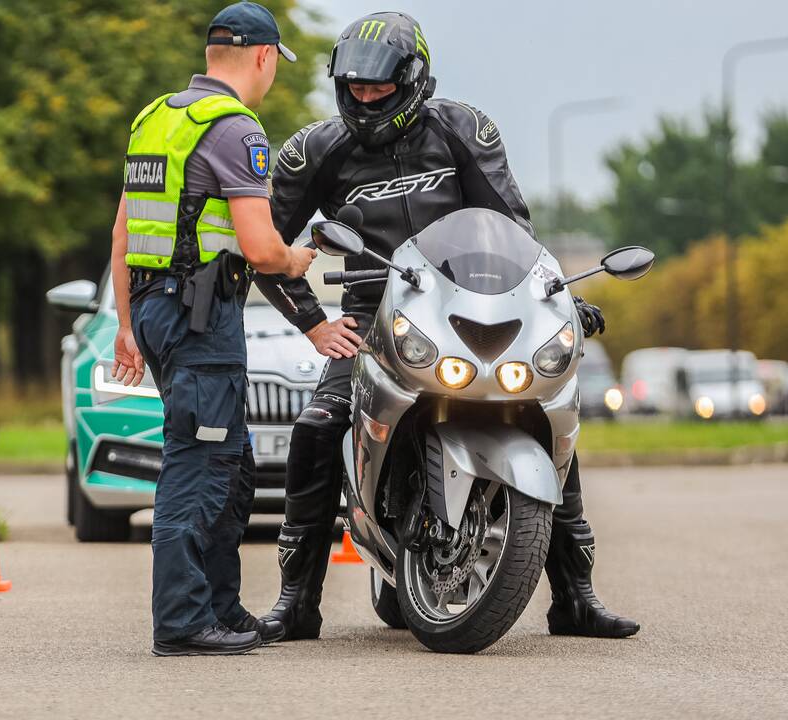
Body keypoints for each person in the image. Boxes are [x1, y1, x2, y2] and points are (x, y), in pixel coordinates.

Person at [254, 11, 640, 641]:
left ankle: (576, 597)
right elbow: (264, 245)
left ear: (413, 79)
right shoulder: (316, 150)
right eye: (354, 88)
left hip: (470, 310)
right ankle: (297, 602)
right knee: (318, 425)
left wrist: (556, 301)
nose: (366, 98)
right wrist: (313, 323)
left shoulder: (464, 130)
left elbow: (513, 228)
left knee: (549, 415)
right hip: (372, 316)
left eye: (379, 87)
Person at [111, 2, 315, 656]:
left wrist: (124, 324)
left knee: (230, 463)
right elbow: (259, 248)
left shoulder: (156, 119)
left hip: (155, 307)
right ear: (262, 57)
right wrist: (296, 257)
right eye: (275, 64)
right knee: (200, 466)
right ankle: (182, 620)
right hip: (200, 318)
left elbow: (122, 232)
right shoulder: (235, 129)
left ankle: (222, 608)